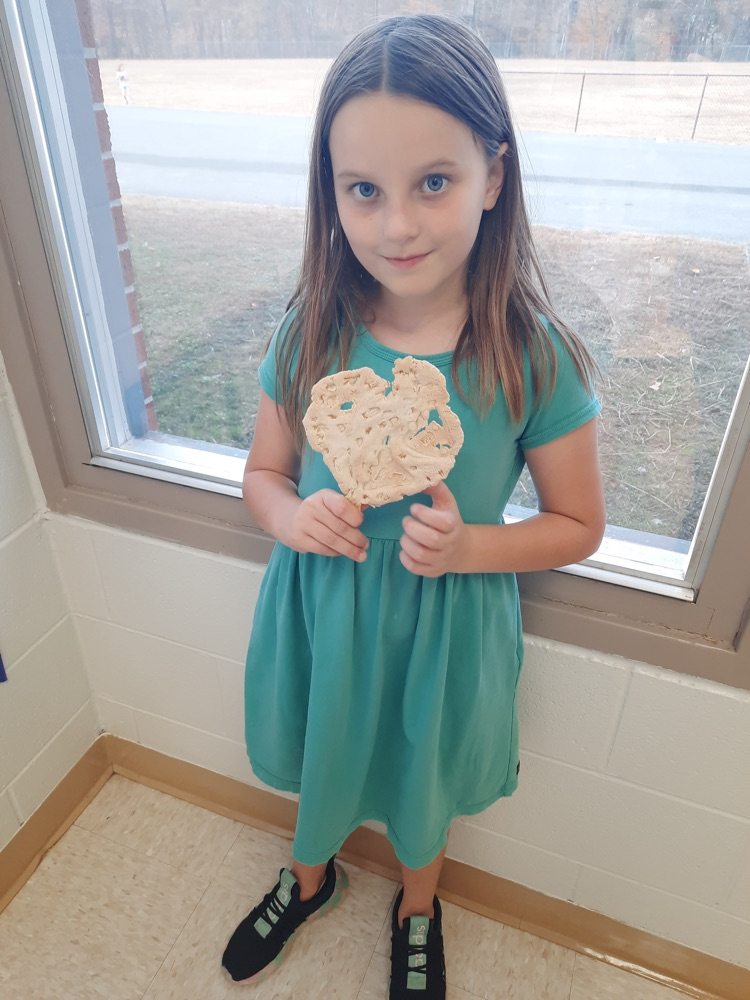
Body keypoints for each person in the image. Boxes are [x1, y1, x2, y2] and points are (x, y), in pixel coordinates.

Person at [222, 13, 605, 999]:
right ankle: (309, 879)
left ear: (494, 175)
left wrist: (470, 545)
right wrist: (290, 517)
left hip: (445, 627)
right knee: (325, 751)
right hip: (324, 612)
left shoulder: (531, 357)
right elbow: (264, 473)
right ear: (331, 192)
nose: (397, 225)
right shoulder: (311, 331)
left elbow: (578, 524)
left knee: (421, 779)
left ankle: (418, 909)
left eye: (433, 181)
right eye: (364, 189)